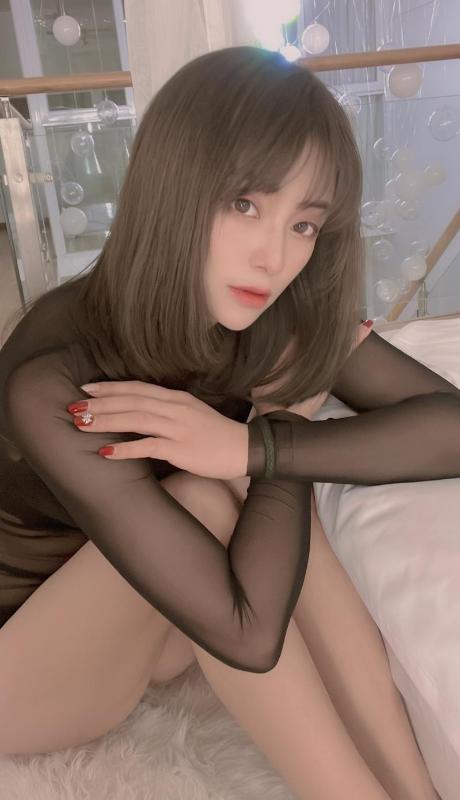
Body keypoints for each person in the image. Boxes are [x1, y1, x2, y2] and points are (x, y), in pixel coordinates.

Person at [0, 45, 453, 798]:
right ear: (174, 185)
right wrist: (275, 428)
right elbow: (249, 632)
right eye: (245, 204)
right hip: (27, 673)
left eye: (304, 225)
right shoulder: (53, 376)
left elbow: (452, 426)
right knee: (212, 497)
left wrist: (260, 444)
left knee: (245, 474)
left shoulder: (264, 311)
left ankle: (415, 789)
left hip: (162, 615)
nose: (273, 257)